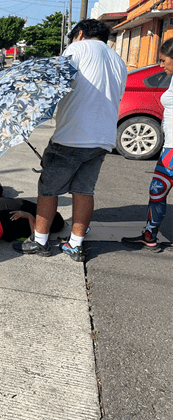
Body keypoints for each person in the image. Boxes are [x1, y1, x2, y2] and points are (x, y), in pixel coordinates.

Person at [14, 19, 127, 262]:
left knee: (48, 189)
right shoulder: (118, 60)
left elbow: (56, 84)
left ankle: (40, 241)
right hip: (103, 139)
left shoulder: (77, 49)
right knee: (84, 190)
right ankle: (75, 246)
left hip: (71, 137)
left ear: (81, 34)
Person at [122, 38, 173, 251]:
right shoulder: (172, 78)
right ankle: (149, 235)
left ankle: (150, 234)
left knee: (157, 190)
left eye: (164, 60)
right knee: (157, 190)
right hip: (169, 147)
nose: (161, 65)